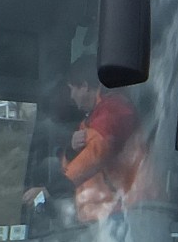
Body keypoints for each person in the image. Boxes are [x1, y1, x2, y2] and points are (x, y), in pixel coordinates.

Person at [24, 54, 152, 224]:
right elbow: (79, 162)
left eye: (72, 89)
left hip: (132, 212)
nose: (71, 96)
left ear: (84, 86)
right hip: (106, 216)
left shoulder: (115, 110)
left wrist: (52, 190)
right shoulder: (92, 119)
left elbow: (96, 153)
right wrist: (71, 149)